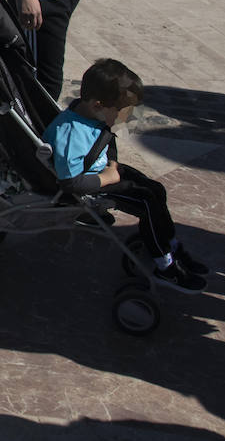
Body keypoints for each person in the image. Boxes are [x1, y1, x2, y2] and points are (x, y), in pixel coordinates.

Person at [43, 58, 209, 292]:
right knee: (147, 202)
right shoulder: (71, 132)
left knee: (156, 190)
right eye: (122, 112)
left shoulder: (90, 113)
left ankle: (170, 244)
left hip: (105, 170)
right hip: (93, 183)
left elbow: (105, 139)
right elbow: (71, 182)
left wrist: (112, 163)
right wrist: (110, 177)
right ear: (98, 105)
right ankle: (164, 266)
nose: (125, 118)